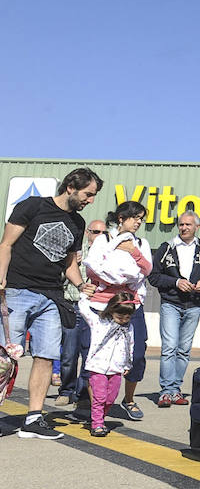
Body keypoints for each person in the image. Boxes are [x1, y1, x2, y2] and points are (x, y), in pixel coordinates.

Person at [0, 167, 101, 439]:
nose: (90, 200)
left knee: (45, 357)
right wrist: (1, 280)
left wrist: (81, 284)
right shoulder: (32, 206)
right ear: (70, 187)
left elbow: (69, 262)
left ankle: (33, 419)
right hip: (18, 290)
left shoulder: (78, 224)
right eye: (88, 194)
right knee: (3, 358)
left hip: (52, 296)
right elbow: (6, 244)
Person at [83, 201, 154, 421]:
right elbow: (92, 267)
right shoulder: (103, 239)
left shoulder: (140, 243)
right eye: (135, 217)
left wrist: (133, 253)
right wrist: (118, 278)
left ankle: (128, 399)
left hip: (131, 303)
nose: (138, 222)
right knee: (94, 353)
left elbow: (147, 269)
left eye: (141, 218)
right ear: (121, 218)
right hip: (101, 303)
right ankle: (95, 405)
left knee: (137, 353)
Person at [149, 212, 200, 407]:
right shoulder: (166, 248)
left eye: (188, 224)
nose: (184, 228)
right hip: (171, 303)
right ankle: (166, 391)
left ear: (197, 226)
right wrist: (176, 281)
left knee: (184, 350)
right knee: (169, 347)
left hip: (194, 305)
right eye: (181, 224)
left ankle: (176, 389)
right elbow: (154, 277)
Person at [56, 218, 105, 407]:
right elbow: (58, 279)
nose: (98, 236)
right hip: (73, 305)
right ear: (87, 233)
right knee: (69, 353)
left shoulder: (106, 254)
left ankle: (83, 393)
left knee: (89, 354)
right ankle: (66, 390)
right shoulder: (75, 252)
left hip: (95, 310)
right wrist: (69, 265)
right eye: (95, 232)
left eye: (102, 233)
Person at [81, 291, 138, 437]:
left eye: (127, 317)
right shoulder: (100, 322)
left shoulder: (129, 328)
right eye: (120, 316)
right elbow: (85, 311)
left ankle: (99, 418)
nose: (123, 320)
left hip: (116, 368)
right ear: (112, 311)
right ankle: (97, 424)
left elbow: (130, 346)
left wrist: (127, 364)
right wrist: (84, 297)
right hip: (97, 367)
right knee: (99, 397)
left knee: (110, 398)